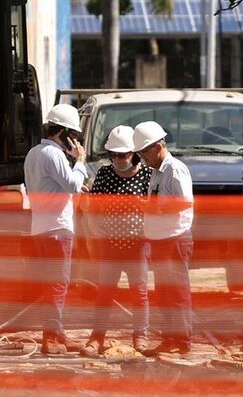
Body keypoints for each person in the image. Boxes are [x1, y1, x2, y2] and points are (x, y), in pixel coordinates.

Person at [23, 103, 88, 355]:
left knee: (50, 284)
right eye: (73, 136)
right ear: (63, 133)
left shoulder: (33, 153)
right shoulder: (54, 155)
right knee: (58, 285)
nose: (75, 141)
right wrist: (80, 161)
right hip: (58, 229)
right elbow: (72, 184)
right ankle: (51, 338)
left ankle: (56, 334)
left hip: (40, 227)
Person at [82, 125, 152, 356]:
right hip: (110, 245)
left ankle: (140, 337)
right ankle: (97, 337)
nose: (118, 159)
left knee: (139, 292)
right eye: (113, 155)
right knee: (105, 291)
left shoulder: (147, 175)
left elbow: (156, 208)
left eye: (122, 155)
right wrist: (96, 230)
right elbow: (92, 207)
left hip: (138, 245)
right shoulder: (104, 174)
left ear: (134, 154)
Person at [134, 120, 194, 356]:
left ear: (157, 147)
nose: (142, 158)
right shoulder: (158, 172)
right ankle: (171, 339)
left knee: (177, 295)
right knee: (165, 296)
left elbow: (184, 202)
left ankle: (183, 342)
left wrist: (153, 209)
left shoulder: (174, 169)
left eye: (144, 152)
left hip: (174, 240)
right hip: (161, 241)